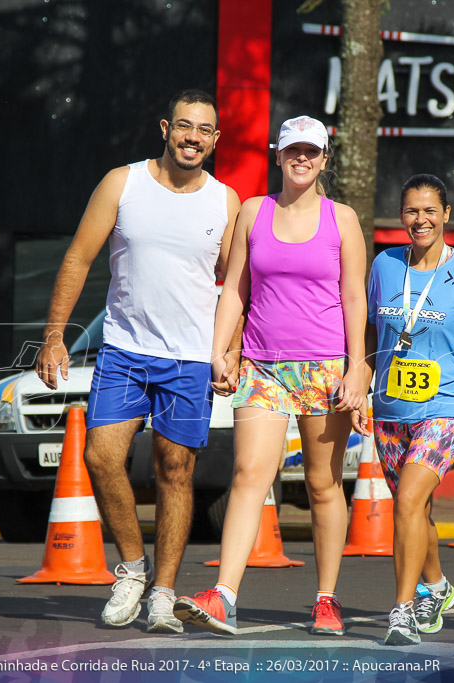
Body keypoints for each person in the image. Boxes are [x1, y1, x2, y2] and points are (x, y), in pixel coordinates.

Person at [35, 89, 240, 633]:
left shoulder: (225, 202)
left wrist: (232, 349)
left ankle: (163, 593)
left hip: (190, 359)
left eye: (204, 130)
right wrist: (54, 335)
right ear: (165, 128)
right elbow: (79, 258)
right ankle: (131, 568)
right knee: (101, 457)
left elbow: (237, 284)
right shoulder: (122, 183)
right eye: (184, 126)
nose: (193, 137)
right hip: (125, 349)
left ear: (215, 139)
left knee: (176, 471)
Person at [174, 115, 367, 636]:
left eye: (311, 151)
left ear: (325, 158)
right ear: (277, 156)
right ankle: (224, 596)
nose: (301, 158)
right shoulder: (255, 211)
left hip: (325, 368)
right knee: (248, 475)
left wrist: (357, 366)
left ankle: (326, 599)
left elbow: (354, 296)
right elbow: (235, 287)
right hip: (262, 365)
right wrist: (220, 351)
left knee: (323, 485)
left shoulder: (342, 219)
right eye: (291, 151)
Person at [353, 174, 454, 645]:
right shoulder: (385, 265)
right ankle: (437, 585)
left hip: (448, 405)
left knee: (411, 501)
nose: (421, 220)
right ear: (401, 216)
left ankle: (403, 609)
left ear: (446, 214)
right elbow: (372, 331)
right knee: (414, 511)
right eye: (412, 211)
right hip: (391, 407)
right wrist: (361, 384)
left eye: (430, 210)